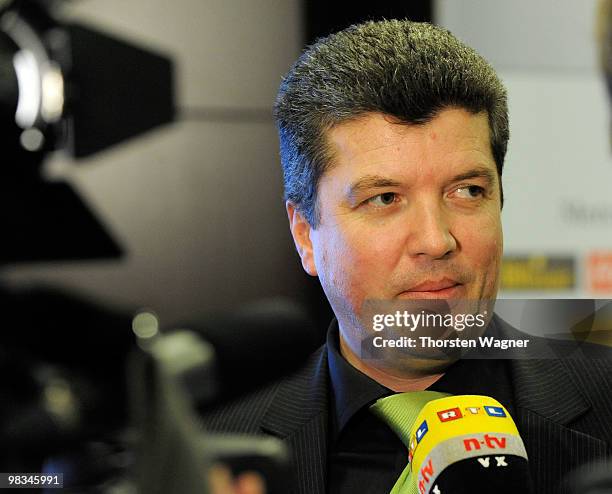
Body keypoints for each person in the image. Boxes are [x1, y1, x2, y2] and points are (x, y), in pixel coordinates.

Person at [202, 20, 612, 493]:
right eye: (385, 199)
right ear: (305, 235)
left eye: (467, 190)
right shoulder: (213, 454)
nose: (436, 240)